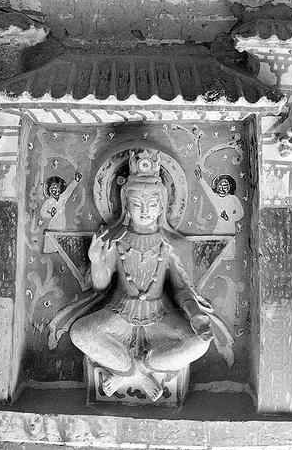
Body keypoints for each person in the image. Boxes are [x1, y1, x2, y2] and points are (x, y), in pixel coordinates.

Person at [64, 150, 227, 401]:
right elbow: (101, 286)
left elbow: (181, 288)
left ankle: (135, 370)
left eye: (152, 204)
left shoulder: (171, 244)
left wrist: (194, 313)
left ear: (161, 206)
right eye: (137, 204)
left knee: (199, 344)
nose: (145, 211)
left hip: (161, 315)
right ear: (126, 205)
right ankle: (136, 373)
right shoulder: (116, 240)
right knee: (80, 333)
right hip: (119, 313)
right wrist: (97, 261)